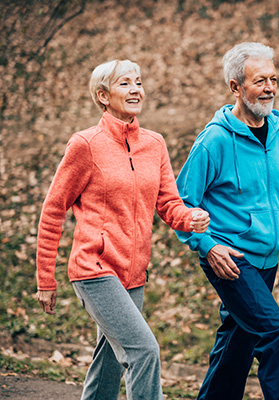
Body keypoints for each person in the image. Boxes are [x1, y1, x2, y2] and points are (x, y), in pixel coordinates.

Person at [35, 59, 210, 400]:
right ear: (103, 96)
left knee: (110, 364)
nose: (135, 90)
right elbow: (54, 209)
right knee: (144, 351)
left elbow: (168, 203)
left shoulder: (154, 144)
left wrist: (189, 219)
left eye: (138, 82)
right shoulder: (85, 145)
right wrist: (46, 278)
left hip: (134, 273)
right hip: (93, 269)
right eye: (125, 84)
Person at [175, 42, 279, 400]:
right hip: (231, 261)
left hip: (268, 259)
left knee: (235, 350)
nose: (270, 88)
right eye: (259, 80)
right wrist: (208, 246)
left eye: (273, 79)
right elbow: (181, 206)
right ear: (235, 87)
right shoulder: (213, 140)